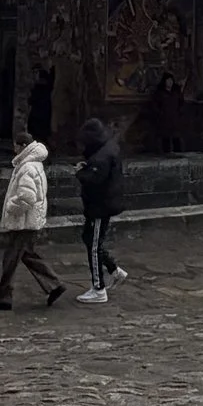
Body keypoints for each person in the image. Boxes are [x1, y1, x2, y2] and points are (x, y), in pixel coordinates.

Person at [0, 129, 65, 311]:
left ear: (22, 146)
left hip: (23, 221)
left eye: (15, 145)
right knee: (28, 255)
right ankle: (54, 285)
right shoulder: (32, 164)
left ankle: (3, 297)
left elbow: (27, 197)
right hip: (28, 221)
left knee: (11, 259)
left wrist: (12, 207)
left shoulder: (27, 167)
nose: (13, 148)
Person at [73, 117, 127, 304]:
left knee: (94, 245)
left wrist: (81, 172)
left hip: (100, 206)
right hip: (104, 203)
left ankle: (98, 288)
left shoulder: (101, 158)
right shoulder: (109, 149)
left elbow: (95, 180)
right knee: (89, 238)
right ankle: (114, 270)